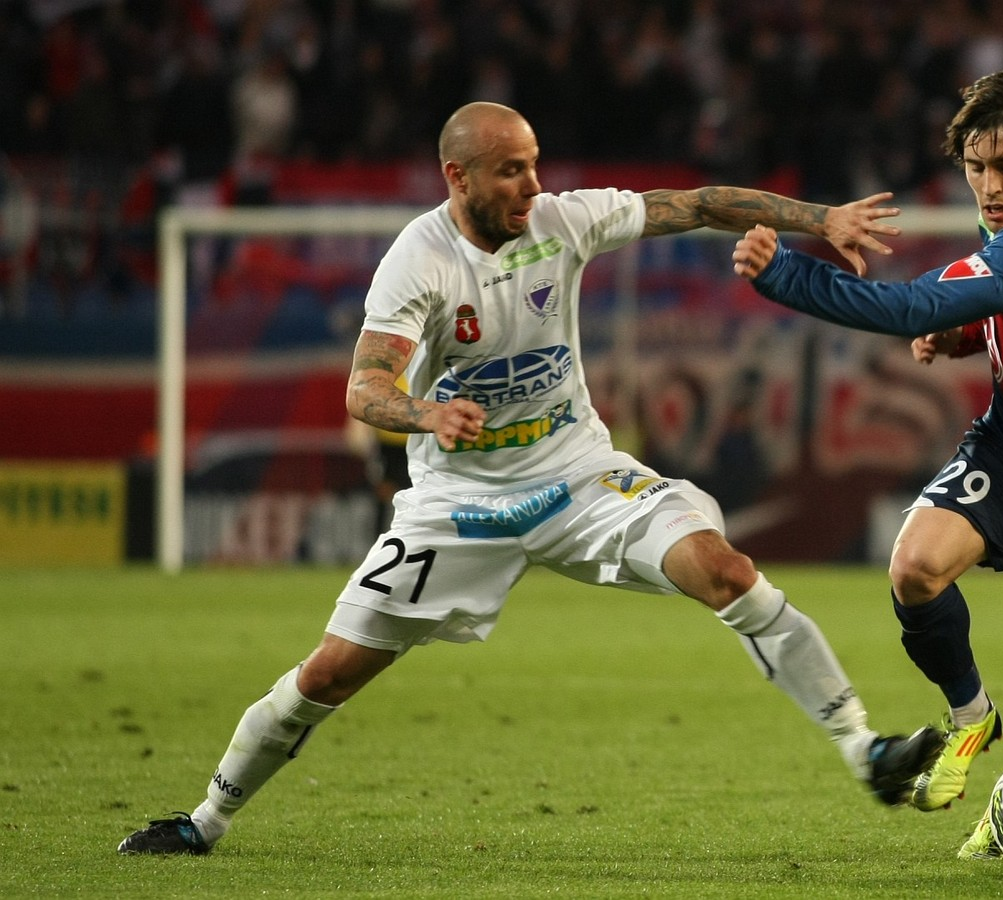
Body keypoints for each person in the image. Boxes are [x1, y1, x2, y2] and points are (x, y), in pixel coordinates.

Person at [118, 101, 943, 856]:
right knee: (330, 672)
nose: (532, 185)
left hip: (578, 477)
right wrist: (425, 413)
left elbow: (694, 204)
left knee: (724, 570)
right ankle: (206, 819)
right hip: (459, 504)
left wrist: (819, 218)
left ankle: (861, 748)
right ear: (458, 176)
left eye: (534, 164)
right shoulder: (419, 261)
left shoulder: (561, 221)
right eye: (510, 170)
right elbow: (363, 389)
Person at [731, 71, 1003, 860]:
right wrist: (967, 334)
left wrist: (783, 272)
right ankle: (969, 717)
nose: (989, 187)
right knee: (915, 568)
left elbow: (909, 304)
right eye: (975, 167)